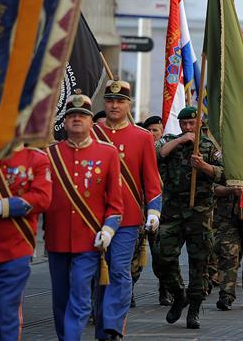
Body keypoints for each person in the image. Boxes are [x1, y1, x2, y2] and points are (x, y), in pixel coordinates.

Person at [44, 93, 124, 341]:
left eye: (82, 116)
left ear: (92, 122)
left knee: (79, 294)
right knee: (60, 297)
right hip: (56, 240)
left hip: (89, 240)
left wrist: (108, 230)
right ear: (65, 122)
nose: (76, 119)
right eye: (71, 116)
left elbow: (116, 202)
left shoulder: (108, 153)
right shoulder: (50, 154)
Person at [92, 80, 162, 340]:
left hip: (127, 218)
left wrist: (154, 210)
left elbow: (151, 179)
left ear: (128, 105)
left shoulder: (142, 137)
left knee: (119, 270)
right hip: (92, 217)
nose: (114, 105)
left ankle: (112, 325)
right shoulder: (93, 133)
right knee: (95, 274)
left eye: (120, 101)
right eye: (110, 100)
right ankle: (100, 322)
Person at [0, 144, 52, 341]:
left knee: (5, 313)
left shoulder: (36, 158)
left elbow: (42, 198)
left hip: (14, 247)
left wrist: (5, 206)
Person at [154, 106, 224, 329]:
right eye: (184, 124)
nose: (188, 127)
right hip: (173, 212)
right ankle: (178, 294)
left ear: (199, 123)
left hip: (199, 214)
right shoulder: (172, 141)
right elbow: (158, 154)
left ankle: (194, 309)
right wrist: (182, 139)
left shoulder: (209, 146)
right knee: (162, 255)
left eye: (191, 124)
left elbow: (224, 175)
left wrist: (203, 166)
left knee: (199, 263)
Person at [130, 115, 169, 308]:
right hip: (137, 209)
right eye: (149, 130)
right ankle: (128, 290)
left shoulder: (168, 149)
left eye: (156, 130)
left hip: (157, 211)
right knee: (134, 254)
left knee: (161, 254)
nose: (152, 133)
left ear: (162, 132)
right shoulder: (138, 149)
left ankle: (165, 289)